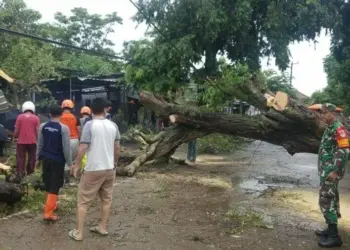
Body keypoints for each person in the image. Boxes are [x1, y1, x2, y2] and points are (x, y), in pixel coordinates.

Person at [69, 97, 120, 241]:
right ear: (105, 109)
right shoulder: (113, 126)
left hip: (93, 169)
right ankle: (102, 227)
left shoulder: (89, 125)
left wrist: (77, 165)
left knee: (83, 200)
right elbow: (117, 147)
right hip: (109, 168)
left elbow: (83, 147)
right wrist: (115, 163)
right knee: (106, 199)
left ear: (91, 110)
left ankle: (78, 233)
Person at [315, 103, 350, 248]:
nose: (321, 115)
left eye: (324, 113)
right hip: (326, 171)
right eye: (320, 113)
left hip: (331, 172)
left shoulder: (339, 129)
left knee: (326, 200)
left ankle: (335, 237)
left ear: (332, 113)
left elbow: (345, 151)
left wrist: (335, 171)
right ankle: (330, 229)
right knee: (331, 198)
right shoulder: (330, 127)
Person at [37, 105, 72, 221]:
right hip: (57, 160)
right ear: (61, 114)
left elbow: (40, 145)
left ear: (50, 114)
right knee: (55, 184)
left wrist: (37, 158)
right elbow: (66, 147)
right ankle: (48, 213)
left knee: (48, 181)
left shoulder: (43, 126)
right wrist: (70, 162)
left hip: (45, 158)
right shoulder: (64, 128)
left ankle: (51, 205)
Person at [14, 101, 40, 177]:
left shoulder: (20, 117)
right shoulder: (36, 118)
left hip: (21, 141)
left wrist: (15, 136)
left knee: (20, 157)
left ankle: (20, 172)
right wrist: (38, 140)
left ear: (23, 108)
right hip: (32, 141)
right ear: (33, 109)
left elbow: (16, 130)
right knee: (32, 157)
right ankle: (30, 172)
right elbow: (37, 130)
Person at [60, 99, 80, 185]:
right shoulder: (75, 117)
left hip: (64, 140)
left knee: (64, 160)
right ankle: (71, 177)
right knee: (72, 160)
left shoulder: (59, 117)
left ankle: (65, 180)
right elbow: (79, 130)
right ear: (72, 107)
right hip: (74, 140)